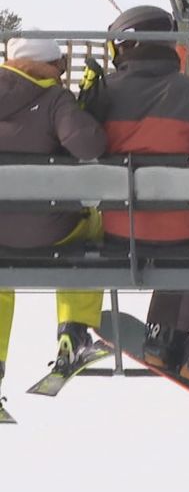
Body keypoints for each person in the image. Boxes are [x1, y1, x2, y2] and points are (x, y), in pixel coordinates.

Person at [85, 5, 189, 383]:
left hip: (120, 231)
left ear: (124, 46)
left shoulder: (103, 93)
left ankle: (161, 336)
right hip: (188, 231)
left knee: (177, 234)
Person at [0, 34, 108, 383]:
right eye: (59, 65)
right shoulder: (54, 99)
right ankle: (74, 333)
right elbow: (88, 146)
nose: (62, 73)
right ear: (45, 65)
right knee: (90, 227)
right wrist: (86, 110)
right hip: (50, 230)